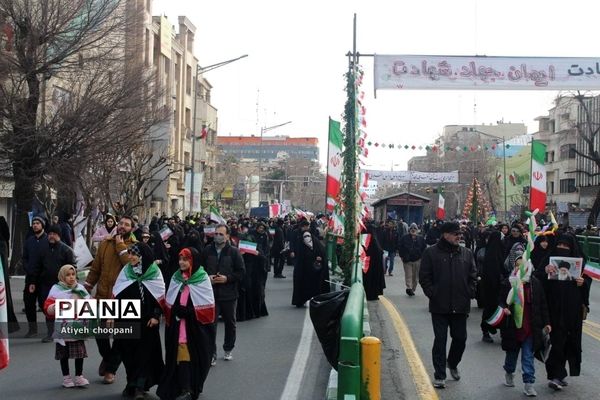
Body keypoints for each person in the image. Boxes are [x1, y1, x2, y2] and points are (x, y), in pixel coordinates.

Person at [419, 222, 477, 389]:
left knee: (460, 338)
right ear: (445, 234)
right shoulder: (431, 252)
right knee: (440, 340)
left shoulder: (466, 253)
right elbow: (424, 277)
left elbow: (473, 275)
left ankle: (452, 362)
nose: (459, 236)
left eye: (460, 233)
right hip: (439, 305)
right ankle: (440, 375)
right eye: (454, 233)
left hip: (461, 304)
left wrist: (470, 291)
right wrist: (432, 292)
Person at [535, 234, 592, 391]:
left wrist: (583, 283)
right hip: (552, 309)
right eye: (560, 245)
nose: (563, 249)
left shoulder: (580, 263)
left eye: (566, 246)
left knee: (569, 341)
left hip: (571, 311)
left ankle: (560, 374)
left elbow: (587, 281)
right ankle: (556, 375)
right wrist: (545, 271)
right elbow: (536, 280)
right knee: (556, 341)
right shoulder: (548, 260)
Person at [84, 215, 137, 384]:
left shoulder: (135, 246)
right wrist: (87, 286)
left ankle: (111, 370)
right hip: (102, 295)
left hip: (123, 298)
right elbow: (95, 268)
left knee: (121, 337)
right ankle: (108, 359)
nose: (122, 226)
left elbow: (130, 265)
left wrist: (120, 245)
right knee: (101, 334)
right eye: (120, 223)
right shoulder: (105, 244)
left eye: (126, 224)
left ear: (132, 228)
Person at [157, 247, 215, 400]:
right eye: (180, 259)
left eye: (185, 259)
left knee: (191, 356)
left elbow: (207, 308)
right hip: (178, 326)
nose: (181, 262)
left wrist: (188, 311)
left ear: (193, 261)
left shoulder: (202, 278)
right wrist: (176, 309)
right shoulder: (176, 277)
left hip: (195, 328)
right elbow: (170, 299)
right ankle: (184, 388)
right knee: (179, 355)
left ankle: (189, 388)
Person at [113, 242, 165, 399]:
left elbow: (160, 297)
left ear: (142, 256)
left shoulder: (154, 272)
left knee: (145, 355)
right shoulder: (126, 272)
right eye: (129, 254)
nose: (130, 257)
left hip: (147, 322)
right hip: (128, 318)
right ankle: (131, 384)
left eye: (134, 254)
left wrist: (156, 316)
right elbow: (117, 293)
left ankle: (139, 386)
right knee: (129, 354)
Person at [499, 253, 551, 397]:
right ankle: (509, 371)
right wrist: (504, 308)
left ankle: (529, 383)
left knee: (528, 356)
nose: (520, 268)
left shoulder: (535, 284)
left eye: (523, 265)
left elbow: (542, 304)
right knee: (512, 355)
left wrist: (547, 323)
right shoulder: (508, 282)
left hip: (530, 327)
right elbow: (500, 301)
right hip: (513, 327)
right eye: (517, 264)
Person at [199, 224, 245, 365]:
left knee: (230, 323)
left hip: (229, 295)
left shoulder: (233, 252)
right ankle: (211, 353)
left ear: (227, 236)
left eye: (221, 234)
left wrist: (227, 278)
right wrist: (208, 278)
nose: (218, 236)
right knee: (210, 325)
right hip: (210, 294)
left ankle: (228, 348)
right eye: (216, 233)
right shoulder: (207, 250)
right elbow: (199, 270)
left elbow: (241, 272)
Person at [43, 264, 90, 388]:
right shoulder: (56, 289)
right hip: (63, 327)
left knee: (79, 353)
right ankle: (66, 377)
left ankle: (79, 376)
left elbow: (89, 302)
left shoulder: (80, 288)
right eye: (68, 275)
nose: (71, 277)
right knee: (64, 354)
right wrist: (52, 308)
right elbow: (48, 305)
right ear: (62, 277)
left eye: (73, 274)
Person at [30, 224, 76, 342]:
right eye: (50, 234)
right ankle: (50, 333)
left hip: (62, 286)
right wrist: (33, 282)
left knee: (63, 310)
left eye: (54, 234)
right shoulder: (43, 250)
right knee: (48, 309)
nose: (51, 236)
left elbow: (72, 268)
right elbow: (37, 267)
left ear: (59, 236)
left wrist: (72, 284)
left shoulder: (66, 250)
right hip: (45, 285)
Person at [22, 216, 49, 337]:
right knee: (28, 304)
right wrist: (28, 269)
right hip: (30, 278)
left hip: (44, 279)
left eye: (38, 223)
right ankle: (32, 329)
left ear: (42, 225)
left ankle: (51, 330)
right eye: (34, 223)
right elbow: (25, 258)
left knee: (45, 305)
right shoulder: (29, 240)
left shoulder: (49, 239)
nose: (35, 225)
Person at [480, 230, 504, 343]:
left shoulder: (497, 251)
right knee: (491, 308)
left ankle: (493, 328)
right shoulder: (492, 254)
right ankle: (486, 330)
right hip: (492, 287)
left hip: (497, 287)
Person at [397, 223, 426, 296]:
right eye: (412, 228)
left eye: (415, 228)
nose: (413, 230)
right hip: (407, 260)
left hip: (417, 260)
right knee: (408, 275)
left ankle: (413, 289)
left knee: (415, 277)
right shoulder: (404, 238)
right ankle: (409, 288)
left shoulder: (421, 239)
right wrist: (402, 256)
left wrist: (422, 257)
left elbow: (424, 248)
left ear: (417, 230)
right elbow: (400, 247)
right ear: (409, 230)